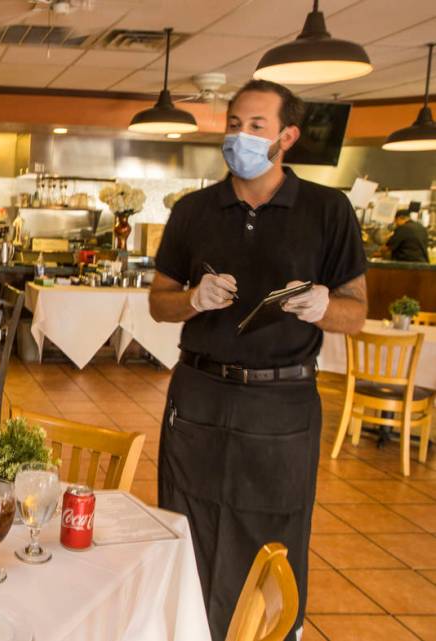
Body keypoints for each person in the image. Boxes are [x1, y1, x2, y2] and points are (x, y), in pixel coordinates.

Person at [149, 79, 367, 641]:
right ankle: (186, 628)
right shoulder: (194, 210)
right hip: (199, 394)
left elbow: (356, 312)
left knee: (274, 529)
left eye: (256, 127)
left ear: (287, 137)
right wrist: (192, 298)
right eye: (233, 124)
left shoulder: (328, 210)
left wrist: (323, 305)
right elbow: (158, 303)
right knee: (187, 520)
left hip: (282, 403)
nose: (239, 136)